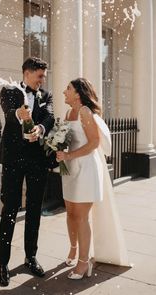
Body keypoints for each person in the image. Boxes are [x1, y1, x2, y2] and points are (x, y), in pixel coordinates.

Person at [56, 78, 129, 280]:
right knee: (70, 214)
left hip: (86, 168)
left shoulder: (84, 112)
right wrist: (58, 148)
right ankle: (73, 249)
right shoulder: (68, 112)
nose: (64, 92)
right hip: (70, 168)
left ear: (78, 93)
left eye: (68, 89)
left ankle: (83, 262)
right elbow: (64, 139)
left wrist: (69, 155)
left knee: (81, 217)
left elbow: (94, 143)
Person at [0, 57, 55, 286]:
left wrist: (40, 129)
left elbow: (49, 116)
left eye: (44, 75)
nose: (43, 80)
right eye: (40, 75)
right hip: (13, 160)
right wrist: (18, 116)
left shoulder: (46, 95)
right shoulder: (9, 91)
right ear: (27, 73)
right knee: (10, 209)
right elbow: (9, 112)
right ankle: (3, 263)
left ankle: (31, 257)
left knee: (34, 209)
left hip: (37, 161)